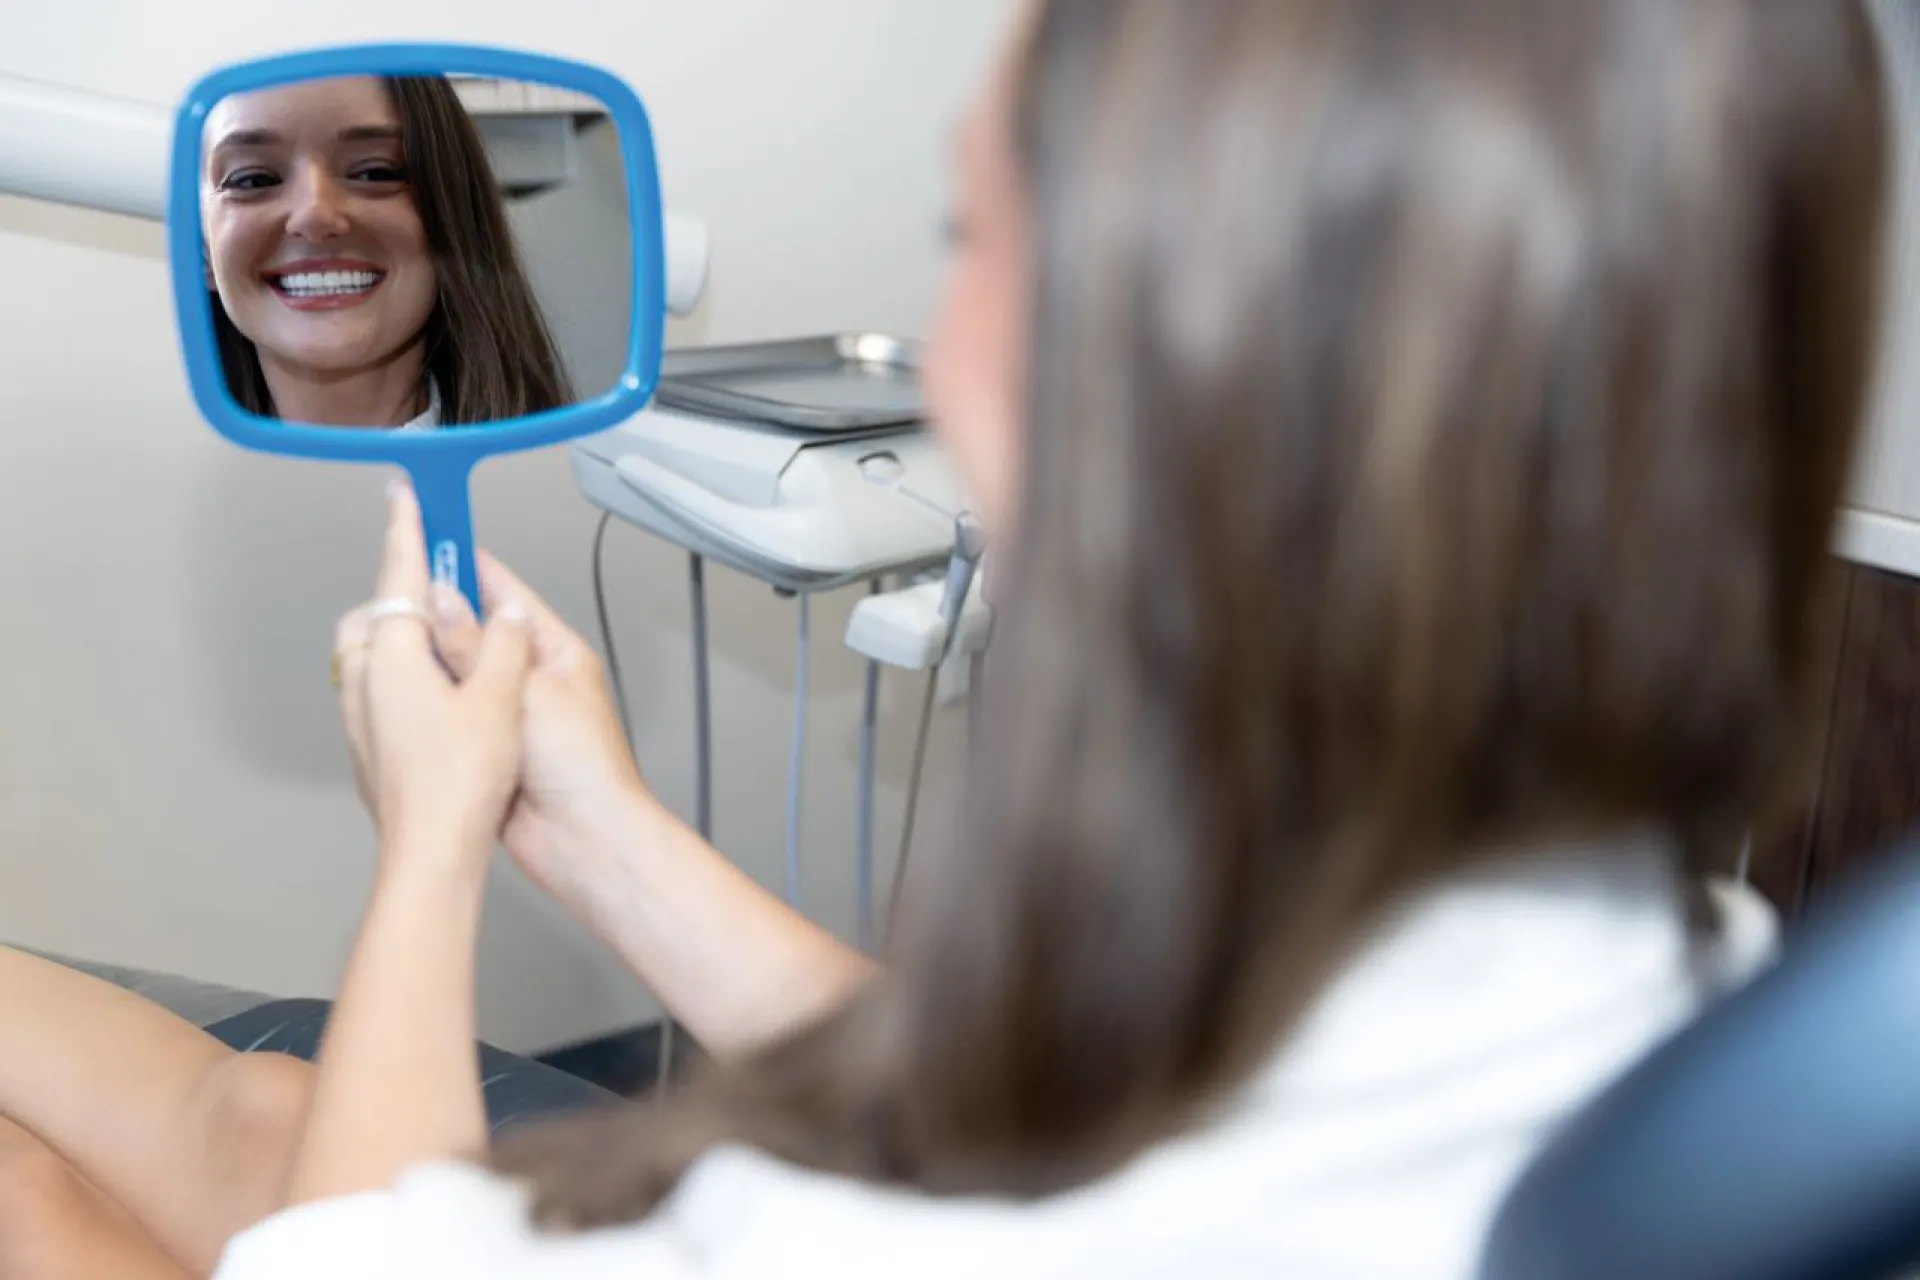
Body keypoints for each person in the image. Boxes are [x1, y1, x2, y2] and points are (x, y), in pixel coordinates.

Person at [0, 0, 1888, 1274]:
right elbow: (1068, 1117)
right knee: (249, 1107)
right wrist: (590, 830)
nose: (940, 343)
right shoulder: (1657, 976)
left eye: (967, 239)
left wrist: (426, 856)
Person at [202, 73, 574, 429]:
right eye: (252, 180)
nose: (315, 214)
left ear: (454, 218)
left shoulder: (573, 487)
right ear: (202, 250)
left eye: (376, 172)